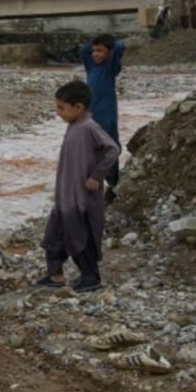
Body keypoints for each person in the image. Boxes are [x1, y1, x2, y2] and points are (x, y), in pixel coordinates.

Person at [36, 81, 119, 293]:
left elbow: (113, 150)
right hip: (65, 195)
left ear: (78, 107)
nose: (59, 113)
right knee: (54, 235)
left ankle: (91, 278)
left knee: (79, 237)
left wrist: (96, 176)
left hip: (80, 197)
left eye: (62, 108)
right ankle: (55, 274)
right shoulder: (75, 126)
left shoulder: (89, 127)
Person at [80, 33, 124, 204]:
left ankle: (113, 184)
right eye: (94, 51)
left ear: (109, 53)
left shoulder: (110, 67)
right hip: (90, 117)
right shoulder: (91, 66)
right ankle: (94, 186)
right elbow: (84, 50)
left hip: (107, 116)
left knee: (110, 148)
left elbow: (120, 46)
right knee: (91, 151)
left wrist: (110, 41)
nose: (96, 54)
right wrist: (95, 43)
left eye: (101, 51)